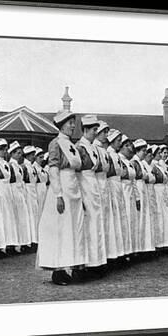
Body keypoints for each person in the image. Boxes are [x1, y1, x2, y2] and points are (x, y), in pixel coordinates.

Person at [36, 110, 86, 285]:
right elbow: (53, 170)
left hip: (74, 188)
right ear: (61, 125)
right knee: (60, 228)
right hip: (62, 189)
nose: (73, 126)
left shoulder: (72, 145)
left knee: (73, 228)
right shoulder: (55, 143)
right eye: (69, 122)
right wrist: (58, 194)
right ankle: (58, 271)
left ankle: (72, 266)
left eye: (74, 122)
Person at [76, 115, 107, 276]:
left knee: (96, 224)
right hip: (84, 187)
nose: (96, 133)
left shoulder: (94, 148)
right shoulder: (79, 147)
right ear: (86, 130)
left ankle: (97, 262)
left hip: (94, 188)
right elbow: (76, 173)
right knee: (87, 227)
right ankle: (84, 265)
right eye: (94, 130)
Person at [93, 121, 120, 260]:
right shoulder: (94, 148)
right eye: (104, 132)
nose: (106, 135)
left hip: (105, 186)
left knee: (106, 222)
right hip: (97, 184)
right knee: (99, 222)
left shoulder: (103, 151)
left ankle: (107, 256)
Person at [0, 138, 21, 252]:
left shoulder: (6, 163)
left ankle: (10, 243)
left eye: (6, 150)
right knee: (3, 216)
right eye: (3, 150)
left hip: (7, 190)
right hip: (0, 189)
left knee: (9, 217)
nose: (5, 152)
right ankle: (1, 246)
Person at [107, 129, 130, 257]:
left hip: (118, 186)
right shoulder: (109, 154)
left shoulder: (115, 155)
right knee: (114, 219)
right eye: (118, 141)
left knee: (120, 220)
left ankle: (121, 252)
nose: (119, 144)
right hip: (112, 185)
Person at [119, 135, 141, 254]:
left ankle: (132, 249)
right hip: (123, 190)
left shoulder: (129, 162)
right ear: (121, 147)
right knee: (125, 220)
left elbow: (133, 181)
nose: (130, 148)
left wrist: (137, 197)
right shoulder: (119, 159)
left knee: (132, 220)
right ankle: (125, 251)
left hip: (131, 192)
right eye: (126, 146)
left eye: (130, 145)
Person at [9, 141, 33, 250]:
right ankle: (17, 243)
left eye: (20, 154)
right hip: (14, 190)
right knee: (18, 217)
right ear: (12, 154)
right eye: (18, 153)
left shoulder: (18, 166)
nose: (20, 156)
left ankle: (24, 242)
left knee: (23, 217)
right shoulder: (10, 165)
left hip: (21, 191)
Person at [132, 139, 154, 253]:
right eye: (143, 151)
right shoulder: (134, 162)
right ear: (138, 151)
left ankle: (145, 246)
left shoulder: (140, 163)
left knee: (145, 218)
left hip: (143, 188)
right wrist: (137, 197)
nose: (145, 153)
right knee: (140, 219)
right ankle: (139, 247)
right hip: (139, 188)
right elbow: (135, 179)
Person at [153, 145, 168, 248]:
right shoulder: (154, 165)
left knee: (165, 215)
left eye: (165, 153)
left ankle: (166, 241)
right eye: (161, 153)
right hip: (157, 191)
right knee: (159, 215)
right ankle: (159, 242)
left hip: (164, 190)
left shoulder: (162, 165)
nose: (162, 155)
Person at [143, 145, 162, 249]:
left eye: (151, 153)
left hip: (152, 191)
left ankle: (154, 244)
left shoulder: (151, 166)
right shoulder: (143, 164)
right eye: (148, 153)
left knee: (153, 216)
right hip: (146, 190)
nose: (150, 155)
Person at [22, 145, 40, 245]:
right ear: (28, 156)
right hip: (28, 191)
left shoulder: (32, 167)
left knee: (35, 214)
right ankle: (30, 240)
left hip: (33, 191)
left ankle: (35, 239)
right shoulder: (24, 167)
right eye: (32, 155)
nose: (34, 157)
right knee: (30, 216)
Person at [33, 147, 48, 218]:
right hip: (38, 190)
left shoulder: (42, 168)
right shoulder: (34, 168)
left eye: (43, 157)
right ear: (35, 157)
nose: (42, 159)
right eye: (40, 157)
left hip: (44, 190)